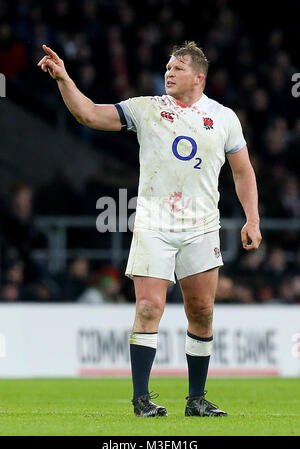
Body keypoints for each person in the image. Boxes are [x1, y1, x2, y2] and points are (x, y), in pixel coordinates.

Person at [37, 41, 262, 418]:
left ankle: (196, 400)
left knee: (203, 311)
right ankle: (142, 400)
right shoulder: (148, 108)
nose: (169, 73)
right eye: (167, 67)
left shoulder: (223, 118)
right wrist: (64, 79)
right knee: (147, 307)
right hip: (153, 224)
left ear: (198, 77)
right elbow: (90, 114)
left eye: (177, 67)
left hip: (201, 226)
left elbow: (242, 171)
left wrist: (252, 218)